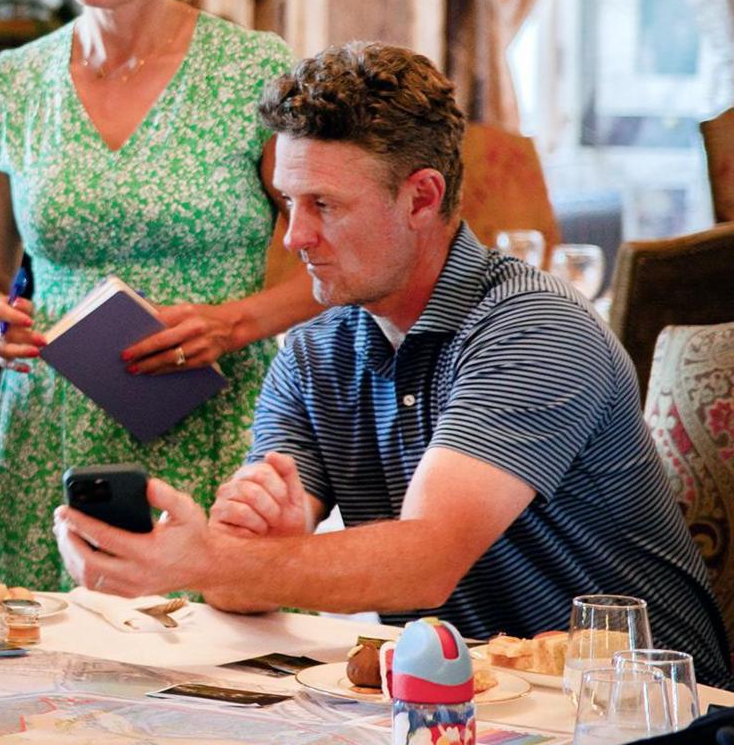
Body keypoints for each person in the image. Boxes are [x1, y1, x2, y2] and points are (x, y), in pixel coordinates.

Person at [53, 42, 733, 686]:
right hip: (463, 705)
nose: (295, 236)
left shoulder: (534, 326)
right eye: (289, 202)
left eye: (325, 204)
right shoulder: (314, 355)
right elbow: (233, 580)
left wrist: (208, 556)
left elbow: (424, 562)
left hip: (649, 708)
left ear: (421, 197)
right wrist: (262, 538)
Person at [0, 0, 321, 589]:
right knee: (49, 700)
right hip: (53, 430)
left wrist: (227, 324)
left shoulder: (254, 73)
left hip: (219, 423)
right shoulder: (9, 86)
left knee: (221, 693)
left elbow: (327, 270)